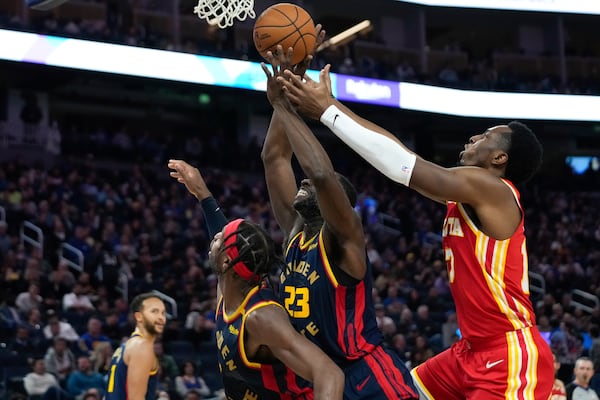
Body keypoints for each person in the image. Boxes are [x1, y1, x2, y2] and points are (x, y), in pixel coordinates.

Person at [276, 61, 554, 399]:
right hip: (469, 351)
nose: (474, 136)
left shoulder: (493, 189)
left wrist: (328, 110)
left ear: (499, 159)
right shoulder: (470, 199)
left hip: (509, 353)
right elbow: (398, 159)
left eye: (486, 136)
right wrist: (332, 108)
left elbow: (403, 166)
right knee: (398, 391)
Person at [260, 48, 417, 399]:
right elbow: (274, 158)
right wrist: (293, 73)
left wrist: (285, 107)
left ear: (338, 203)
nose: (303, 182)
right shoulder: (296, 233)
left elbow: (319, 173)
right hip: (321, 376)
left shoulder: (343, 238)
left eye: (316, 190)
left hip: (367, 376)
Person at [168, 159, 344, 400]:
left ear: (227, 261)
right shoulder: (229, 286)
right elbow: (224, 235)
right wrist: (202, 192)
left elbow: (329, 374)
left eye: (220, 240)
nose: (214, 238)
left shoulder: (261, 316)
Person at [104, 293, 166, 400]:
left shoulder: (125, 347)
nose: (161, 318)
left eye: (163, 313)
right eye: (154, 312)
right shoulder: (141, 347)